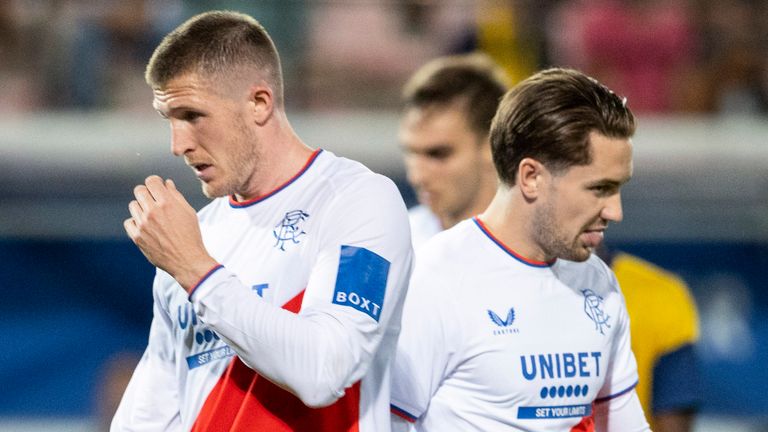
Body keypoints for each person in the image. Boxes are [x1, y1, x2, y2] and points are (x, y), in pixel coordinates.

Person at [111, 11, 413, 432]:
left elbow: (325, 371)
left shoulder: (357, 202)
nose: (178, 144)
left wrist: (195, 270)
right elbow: (149, 416)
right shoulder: (196, 237)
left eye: (192, 115)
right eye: (170, 120)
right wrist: (189, 265)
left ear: (259, 103)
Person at [398, 55, 701, 431]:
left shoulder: (599, 284)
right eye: (599, 189)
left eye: (618, 188)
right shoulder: (431, 280)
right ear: (531, 177)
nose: (615, 211)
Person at [398, 53, 508, 248]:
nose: (416, 177)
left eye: (438, 154)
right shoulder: (396, 244)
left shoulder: (555, 256)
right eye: (411, 153)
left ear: (491, 146)